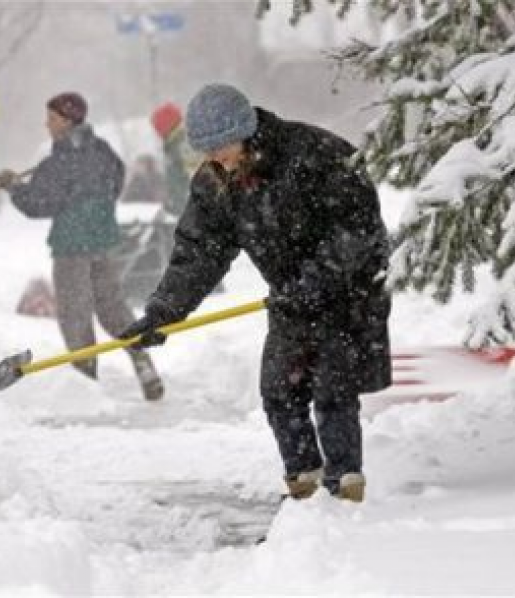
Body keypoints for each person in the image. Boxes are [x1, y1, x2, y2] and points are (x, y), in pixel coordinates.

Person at [120, 84, 391, 501]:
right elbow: (199, 254)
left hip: (347, 293)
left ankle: (345, 489)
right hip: (289, 299)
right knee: (280, 390)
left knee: (333, 391)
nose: (214, 157)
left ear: (244, 131)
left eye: (221, 145)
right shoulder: (215, 181)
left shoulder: (314, 153)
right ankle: (305, 486)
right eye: (205, 149)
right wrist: (163, 313)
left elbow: (358, 229)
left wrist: (316, 281)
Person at [0, 91, 163, 401]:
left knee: (75, 313)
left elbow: (37, 204)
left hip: (71, 246)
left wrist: (14, 186)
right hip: (104, 242)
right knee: (112, 307)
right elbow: (117, 181)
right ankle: (143, 363)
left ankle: (87, 382)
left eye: (52, 118)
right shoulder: (103, 151)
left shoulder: (58, 162)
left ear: (67, 120)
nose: (47, 124)